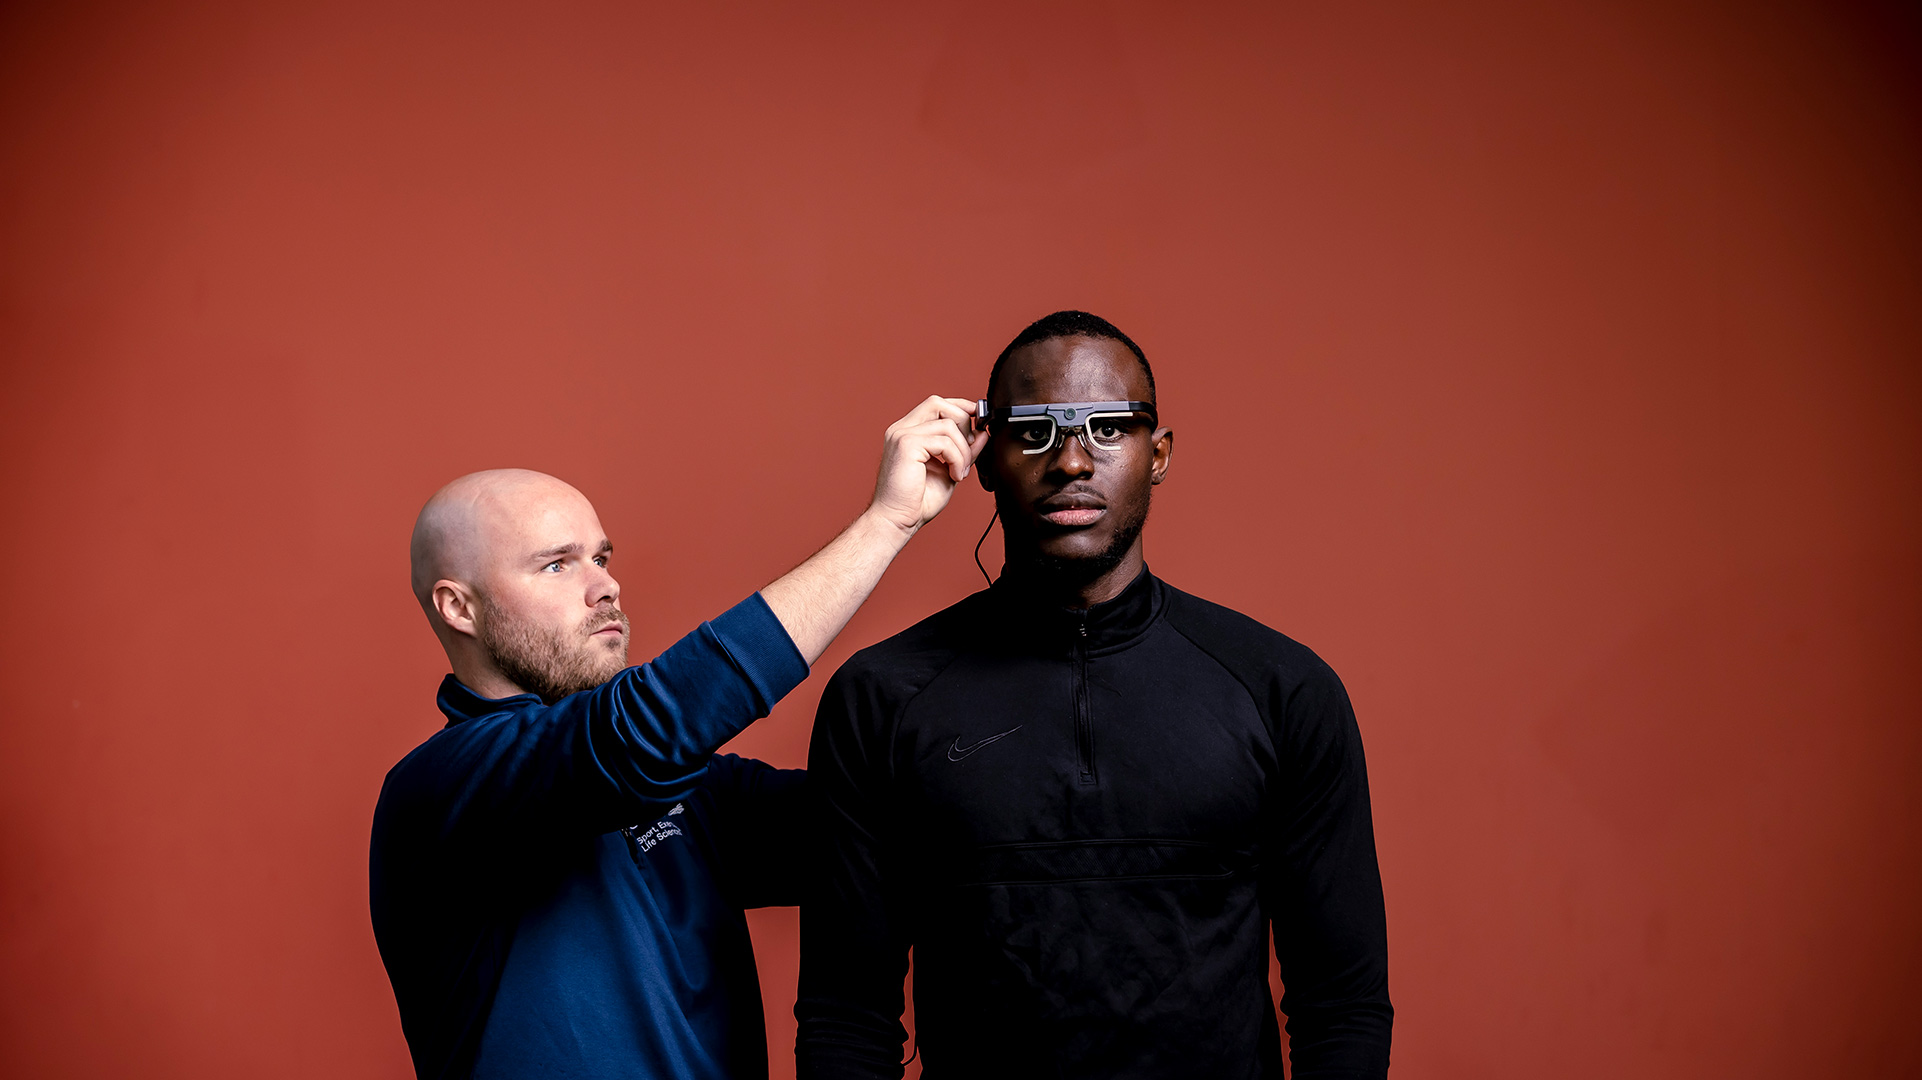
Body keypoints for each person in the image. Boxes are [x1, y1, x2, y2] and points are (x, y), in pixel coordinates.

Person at [795, 312, 1393, 1079]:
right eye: (1036, 431)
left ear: (1160, 455)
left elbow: (1340, 1000)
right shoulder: (881, 699)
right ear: (984, 458)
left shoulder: (1283, 689)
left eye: (1109, 427)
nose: (1072, 461)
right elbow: (849, 1014)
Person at [370, 395, 988, 1080]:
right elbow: (645, 732)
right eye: (557, 565)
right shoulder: (443, 789)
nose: (606, 586)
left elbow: (876, 829)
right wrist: (888, 522)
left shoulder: (697, 790)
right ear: (459, 607)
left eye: (601, 557)